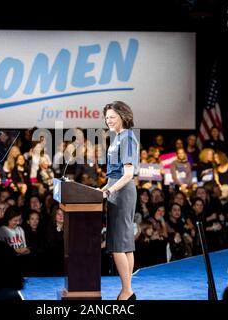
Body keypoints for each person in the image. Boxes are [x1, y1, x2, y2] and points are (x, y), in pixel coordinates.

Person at [101, 101, 139, 300]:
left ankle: (127, 291)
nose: (108, 120)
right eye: (106, 117)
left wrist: (109, 191)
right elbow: (114, 175)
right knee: (124, 243)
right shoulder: (119, 137)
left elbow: (128, 174)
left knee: (117, 244)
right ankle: (127, 289)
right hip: (116, 189)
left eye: (112, 117)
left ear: (123, 116)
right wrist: (105, 188)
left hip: (122, 193)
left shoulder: (127, 138)